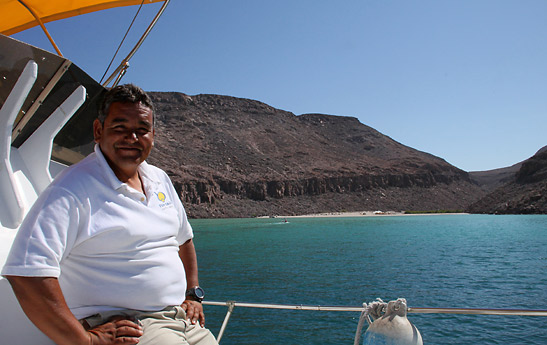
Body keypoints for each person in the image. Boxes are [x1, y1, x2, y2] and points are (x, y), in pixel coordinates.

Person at [2, 84, 217, 345]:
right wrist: (85, 340)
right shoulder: (72, 189)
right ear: (98, 131)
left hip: (181, 319)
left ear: (153, 135)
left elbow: (184, 240)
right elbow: (25, 273)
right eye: (120, 128)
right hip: (132, 327)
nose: (132, 138)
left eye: (142, 130)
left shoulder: (158, 179)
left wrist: (193, 294)